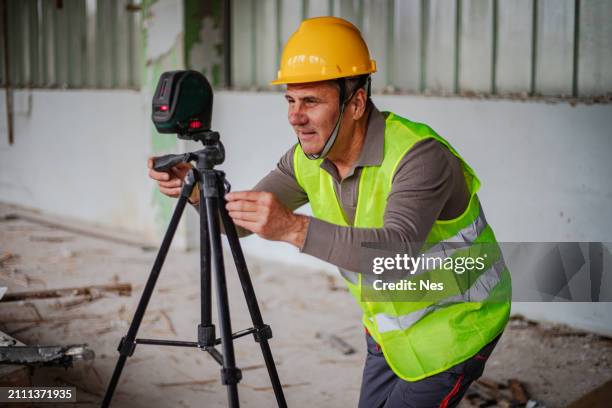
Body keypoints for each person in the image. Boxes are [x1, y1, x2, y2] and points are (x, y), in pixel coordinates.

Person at [148, 16, 511, 408]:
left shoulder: (419, 157)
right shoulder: (306, 159)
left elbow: (396, 256)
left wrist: (293, 228)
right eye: (289, 100)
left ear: (356, 102)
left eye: (311, 101)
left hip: (457, 326)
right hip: (389, 328)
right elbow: (241, 224)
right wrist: (199, 195)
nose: (295, 116)